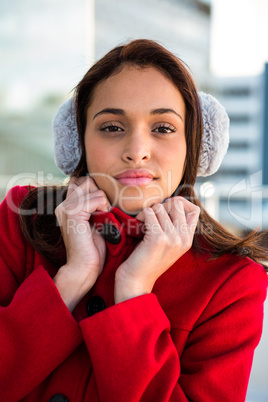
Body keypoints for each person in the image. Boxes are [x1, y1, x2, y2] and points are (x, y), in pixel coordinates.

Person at [0, 39, 267, 402]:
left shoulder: (233, 282)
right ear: (76, 141)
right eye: (112, 127)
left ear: (195, 144)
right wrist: (72, 278)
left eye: (163, 128)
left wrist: (134, 292)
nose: (136, 150)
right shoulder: (20, 219)